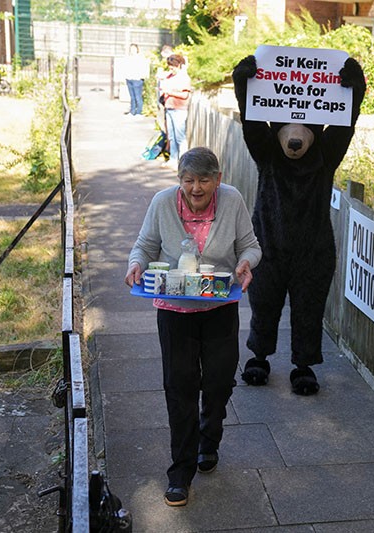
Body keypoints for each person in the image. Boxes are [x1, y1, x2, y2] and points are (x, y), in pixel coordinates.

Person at [124, 147, 262, 507]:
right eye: (188, 180)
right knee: (180, 387)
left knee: (219, 382)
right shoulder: (162, 202)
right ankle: (180, 472)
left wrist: (246, 263)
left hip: (220, 306)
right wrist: (136, 264)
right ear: (179, 180)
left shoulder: (232, 200)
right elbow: (144, 246)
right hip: (175, 310)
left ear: (218, 179)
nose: (195, 188)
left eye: (203, 180)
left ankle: (209, 438)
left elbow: (250, 246)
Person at [159, 54, 193, 168]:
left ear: (179, 65)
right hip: (169, 108)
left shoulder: (184, 78)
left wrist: (169, 92)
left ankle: (184, 162)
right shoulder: (169, 77)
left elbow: (185, 95)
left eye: (173, 66)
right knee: (172, 136)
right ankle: (173, 159)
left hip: (179, 109)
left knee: (180, 137)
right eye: (169, 66)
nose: (171, 68)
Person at [122, 43, 149, 116]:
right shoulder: (128, 58)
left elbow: (144, 68)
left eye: (134, 49)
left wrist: (142, 77)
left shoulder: (140, 58)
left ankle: (139, 112)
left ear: (137, 50)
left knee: (138, 97)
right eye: (131, 49)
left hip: (137, 79)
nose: (132, 50)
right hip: (129, 78)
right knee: (132, 97)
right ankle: (132, 111)